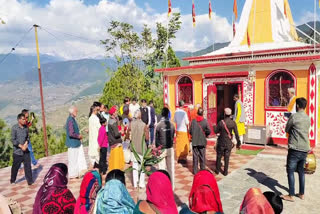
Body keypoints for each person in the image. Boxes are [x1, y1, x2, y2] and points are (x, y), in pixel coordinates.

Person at [281, 97, 310, 202]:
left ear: (297, 105)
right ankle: (302, 193)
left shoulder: (294, 116)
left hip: (295, 148)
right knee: (301, 171)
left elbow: (286, 129)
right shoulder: (308, 118)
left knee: (290, 171)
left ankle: (291, 195)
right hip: (305, 148)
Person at [126, 110, 149, 189]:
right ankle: (141, 183)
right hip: (141, 148)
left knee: (135, 166)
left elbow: (127, 135)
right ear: (140, 116)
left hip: (133, 148)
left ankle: (135, 184)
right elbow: (147, 138)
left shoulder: (131, 124)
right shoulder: (144, 125)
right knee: (141, 166)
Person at [214, 108, 241, 176]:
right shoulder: (233, 123)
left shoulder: (221, 122)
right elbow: (236, 134)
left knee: (219, 155)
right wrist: (238, 142)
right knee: (227, 156)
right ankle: (225, 171)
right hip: (228, 142)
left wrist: (214, 127)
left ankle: (217, 170)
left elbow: (216, 131)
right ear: (230, 114)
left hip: (221, 141)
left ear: (224, 114)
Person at [156, 107, 176, 189]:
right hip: (170, 148)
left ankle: (162, 186)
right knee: (171, 168)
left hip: (161, 149)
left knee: (161, 168)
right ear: (168, 114)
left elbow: (156, 139)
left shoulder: (158, 125)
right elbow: (173, 136)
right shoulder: (172, 125)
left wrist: (157, 149)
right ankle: (172, 186)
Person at [10, 113, 33, 186]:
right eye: (23, 119)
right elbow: (13, 140)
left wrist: (26, 144)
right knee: (15, 167)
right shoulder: (14, 128)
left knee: (28, 166)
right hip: (17, 152)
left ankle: (30, 181)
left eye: (25, 119)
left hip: (26, 151)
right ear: (19, 120)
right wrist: (21, 146)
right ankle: (12, 180)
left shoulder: (26, 127)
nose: (24, 121)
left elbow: (28, 138)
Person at [66, 106, 87, 179]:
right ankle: (73, 174)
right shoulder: (70, 121)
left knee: (75, 159)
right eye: (76, 111)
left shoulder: (72, 119)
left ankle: (75, 173)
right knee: (73, 159)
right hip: (73, 143)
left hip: (75, 143)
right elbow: (71, 133)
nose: (76, 113)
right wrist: (78, 136)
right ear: (72, 112)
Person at [189, 108, 211, 175]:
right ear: (202, 114)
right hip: (202, 141)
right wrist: (206, 134)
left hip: (195, 141)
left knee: (195, 157)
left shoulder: (193, 121)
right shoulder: (205, 121)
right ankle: (202, 170)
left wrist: (194, 135)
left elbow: (190, 131)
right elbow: (209, 131)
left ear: (197, 113)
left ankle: (195, 171)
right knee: (202, 157)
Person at [108, 106, 125, 171]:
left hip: (112, 142)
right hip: (116, 142)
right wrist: (121, 132)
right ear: (113, 113)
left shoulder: (110, 121)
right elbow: (116, 134)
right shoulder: (113, 122)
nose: (117, 112)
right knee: (117, 162)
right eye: (116, 111)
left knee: (113, 160)